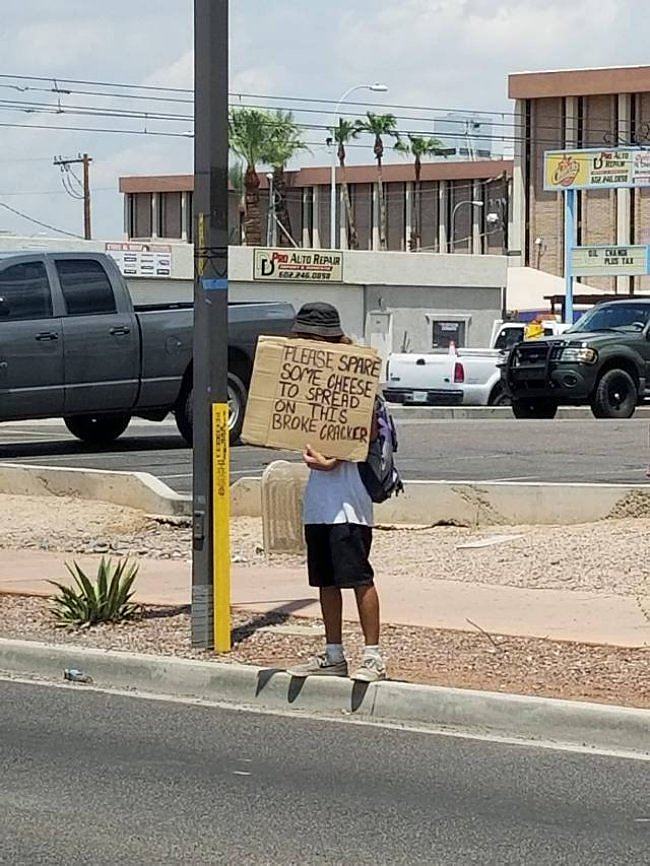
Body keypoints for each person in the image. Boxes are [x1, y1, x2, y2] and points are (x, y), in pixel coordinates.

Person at [287, 302, 386, 683]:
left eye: (308, 338)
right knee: (326, 580)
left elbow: (370, 432)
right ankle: (334, 654)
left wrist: (334, 460)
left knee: (359, 577)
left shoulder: (356, 376)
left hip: (349, 500)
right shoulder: (312, 379)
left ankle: (373, 656)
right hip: (319, 502)